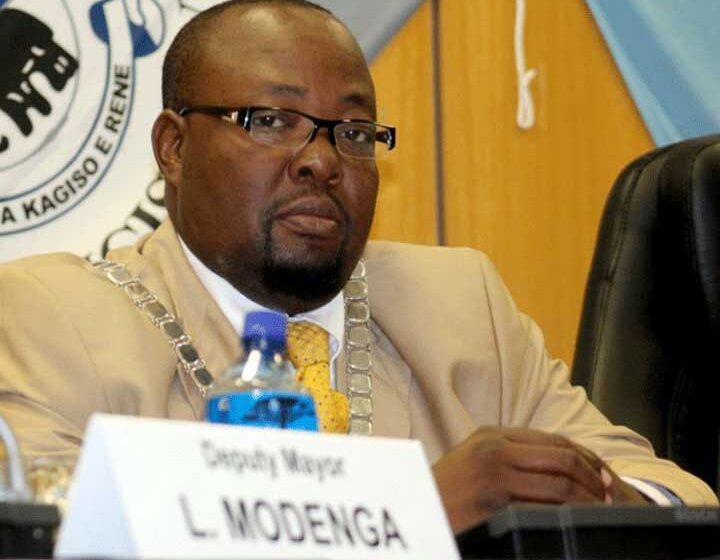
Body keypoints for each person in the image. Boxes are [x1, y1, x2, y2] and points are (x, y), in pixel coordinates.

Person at [0, 0, 716, 534]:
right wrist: (416, 514)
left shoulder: (461, 304)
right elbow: (56, 538)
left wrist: (600, 496)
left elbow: (674, 494)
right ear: (174, 149)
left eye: (352, 131)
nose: (321, 160)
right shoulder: (54, 316)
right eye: (270, 120)